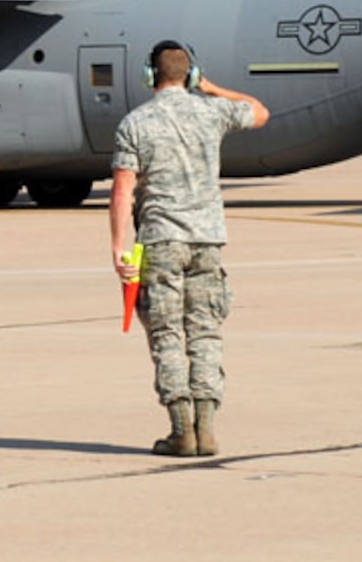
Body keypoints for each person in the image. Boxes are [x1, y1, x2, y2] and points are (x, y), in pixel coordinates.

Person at [108, 41, 269, 457]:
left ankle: (182, 431)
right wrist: (212, 89)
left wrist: (118, 246)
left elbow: (123, 189)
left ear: (150, 76)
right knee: (205, 331)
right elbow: (259, 110)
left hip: (161, 239)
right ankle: (208, 428)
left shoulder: (135, 123)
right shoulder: (210, 112)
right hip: (208, 240)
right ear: (191, 75)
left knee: (166, 333)